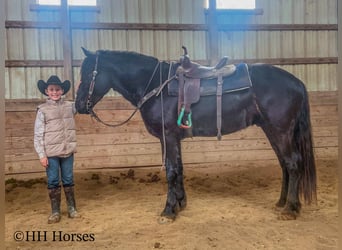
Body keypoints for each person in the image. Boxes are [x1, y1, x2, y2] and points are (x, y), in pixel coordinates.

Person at [34, 75, 80, 224]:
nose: (55, 92)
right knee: (53, 180)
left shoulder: (69, 106)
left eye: (57, 89)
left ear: (62, 91)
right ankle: (55, 212)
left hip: (67, 151)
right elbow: (38, 133)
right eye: (52, 89)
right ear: (47, 91)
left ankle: (72, 208)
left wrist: (80, 88)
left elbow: (81, 104)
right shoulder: (42, 110)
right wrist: (42, 154)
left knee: (68, 179)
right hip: (51, 153)